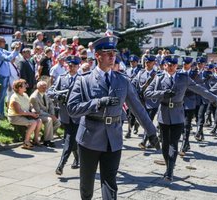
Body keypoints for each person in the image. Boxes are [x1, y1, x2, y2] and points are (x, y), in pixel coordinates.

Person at [67, 36, 160, 200]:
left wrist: (151, 132)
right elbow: (72, 109)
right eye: (107, 53)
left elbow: (138, 108)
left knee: (110, 183)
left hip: (114, 138)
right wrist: (97, 103)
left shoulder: (122, 80)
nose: (112, 56)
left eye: (114, 53)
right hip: (90, 137)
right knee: (87, 183)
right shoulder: (83, 80)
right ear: (97, 56)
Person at [144, 55, 217, 181]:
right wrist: (163, 93)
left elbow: (199, 89)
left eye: (173, 65)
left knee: (174, 143)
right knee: (165, 144)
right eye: (169, 65)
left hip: (178, 114)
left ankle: (170, 171)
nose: (171, 67)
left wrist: (214, 98)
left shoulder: (183, 78)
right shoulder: (159, 78)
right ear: (164, 65)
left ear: (177, 66)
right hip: (164, 114)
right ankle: (169, 166)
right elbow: (147, 93)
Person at [51, 56, 81, 175]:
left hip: (78, 115)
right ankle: (77, 158)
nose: (71, 67)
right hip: (65, 115)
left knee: (69, 139)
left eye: (73, 65)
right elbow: (51, 91)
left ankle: (61, 165)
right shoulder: (61, 78)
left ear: (78, 66)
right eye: (69, 65)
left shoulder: (82, 79)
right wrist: (57, 95)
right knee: (71, 139)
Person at [132, 55, 159, 146]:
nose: (147, 64)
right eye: (146, 62)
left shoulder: (157, 75)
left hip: (152, 102)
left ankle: (144, 140)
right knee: (143, 121)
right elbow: (133, 84)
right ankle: (152, 139)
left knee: (149, 121)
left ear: (154, 63)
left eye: (149, 62)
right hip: (141, 101)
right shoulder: (140, 73)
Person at [8, 79, 42, 150]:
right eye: (24, 85)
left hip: (25, 115)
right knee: (33, 123)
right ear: (19, 88)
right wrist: (31, 114)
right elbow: (19, 112)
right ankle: (26, 142)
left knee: (39, 121)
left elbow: (30, 105)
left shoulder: (25, 95)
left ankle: (35, 139)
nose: (26, 86)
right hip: (15, 117)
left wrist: (33, 111)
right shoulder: (14, 97)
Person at [0, 36, 21, 120]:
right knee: (0, 96)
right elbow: (9, 58)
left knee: (3, 96)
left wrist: (17, 49)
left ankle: (0, 113)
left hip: (5, 76)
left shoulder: (2, 50)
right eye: (3, 41)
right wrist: (15, 50)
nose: (5, 43)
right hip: (1, 76)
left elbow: (12, 54)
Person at [30, 81, 60, 147]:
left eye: (45, 87)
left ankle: (45, 138)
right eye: (43, 88)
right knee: (49, 120)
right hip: (38, 115)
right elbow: (38, 111)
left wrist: (52, 114)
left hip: (46, 114)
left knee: (58, 122)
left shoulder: (45, 94)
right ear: (38, 87)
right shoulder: (34, 97)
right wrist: (50, 116)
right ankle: (47, 141)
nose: (45, 89)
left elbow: (51, 104)